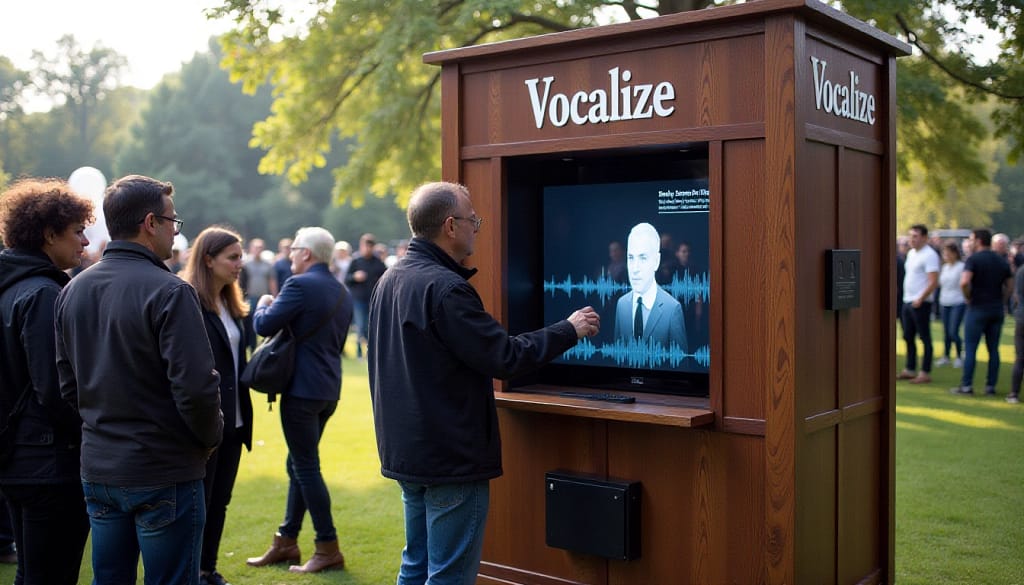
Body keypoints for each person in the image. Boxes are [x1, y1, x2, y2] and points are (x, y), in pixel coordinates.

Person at [367, 181, 600, 585]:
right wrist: (569, 329)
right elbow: (505, 357)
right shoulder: (446, 288)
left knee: (416, 566)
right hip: (449, 458)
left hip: (408, 452)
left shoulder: (391, 280)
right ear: (450, 226)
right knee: (449, 576)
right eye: (473, 219)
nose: (478, 226)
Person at [54, 174, 223, 585]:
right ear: (151, 223)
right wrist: (210, 438)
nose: (174, 231)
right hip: (163, 468)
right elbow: (196, 388)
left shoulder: (73, 290)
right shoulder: (170, 292)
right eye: (173, 221)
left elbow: (67, 384)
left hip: (102, 465)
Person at [0, 178, 93, 585]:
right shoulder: (40, 293)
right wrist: (90, 430)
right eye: (76, 231)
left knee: (32, 574)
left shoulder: (13, 287)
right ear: (48, 234)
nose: (85, 242)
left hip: (19, 458)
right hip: (46, 463)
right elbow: (54, 391)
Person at [246, 226, 353, 574]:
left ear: (306, 253)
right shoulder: (342, 291)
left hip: (301, 391)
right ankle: (286, 541)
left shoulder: (299, 285)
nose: (289, 254)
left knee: (305, 467)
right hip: (327, 390)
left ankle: (327, 547)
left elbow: (264, 326)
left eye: (293, 249)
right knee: (299, 465)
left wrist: (262, 304)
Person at [180, 226, 254, 585]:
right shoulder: (188, 301)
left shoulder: (231, 303)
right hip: (205, 423)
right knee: (199, 504)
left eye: (241, 256)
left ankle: (207, 568)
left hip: (235, 422)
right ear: (208, 260)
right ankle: (192, 571)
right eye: (233, 257)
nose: (241, 264)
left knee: (220, 500)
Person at [951, 229, 1013, 396]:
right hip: (995, 308)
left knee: (970, 348)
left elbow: (964, 282)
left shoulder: (973, 259)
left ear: (978, 240)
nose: (970, 243)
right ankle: (990, 386)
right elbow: (1010, 285)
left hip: (977, 308)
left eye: (971, 239)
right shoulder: (1000, 260)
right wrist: (1003, 299)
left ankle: (967, 386)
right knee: (994, 349)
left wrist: (968, 297)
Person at [613, 222, 687, 351]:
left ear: (656, 261)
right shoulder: (622, 304)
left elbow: (681, 365)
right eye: (631, 258)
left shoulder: (672, 309)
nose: (635, 268)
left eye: (643, 258)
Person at [897, 224, 940, 384]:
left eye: (915, 236)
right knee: (908, 336)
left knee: (924, 337)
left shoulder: (930, 255)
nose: (911, 239)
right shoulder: (912, 253)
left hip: (920, 302)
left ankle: (925, 372)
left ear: (924, 237)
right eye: (910, 236)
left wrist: (921, 298)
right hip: (907, 301)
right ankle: (910, 368)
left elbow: (933, 281)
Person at [344, 233, 387, 358]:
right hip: (358, 299)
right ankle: (359, 352)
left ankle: (370, 351)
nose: (367, 249)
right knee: (360, 327)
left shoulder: (378, 262)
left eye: (369, 246)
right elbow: (347, 279)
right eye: (365, 246)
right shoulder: (356, 261)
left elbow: (386, 278)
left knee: (371, 327)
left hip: (373, 300)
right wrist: (354, 277)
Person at [936, 241, 966, 368]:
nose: (946, 256)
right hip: (944, 301)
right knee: (946, 331)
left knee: (953, 331)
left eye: (948, 253)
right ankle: (946, 356)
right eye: (944, 253)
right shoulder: (945, 267)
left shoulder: (961, 267)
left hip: (957, 301)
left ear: (955, 254)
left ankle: (959, 356)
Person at [1009, 259, 1024, 404]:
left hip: (1021, 319)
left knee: (1020, 357)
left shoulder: (1020, 271)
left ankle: (1014, 393)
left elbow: (1016, 295)